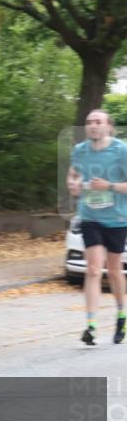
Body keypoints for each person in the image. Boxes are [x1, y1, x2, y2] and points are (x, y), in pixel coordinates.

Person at [67, 108, 127, 346]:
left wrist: (109, 186)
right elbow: (72, 175)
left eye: (97, 122)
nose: (92, 125)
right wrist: (73, 185)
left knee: (113, 271)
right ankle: (90, 325)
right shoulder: (80, 151)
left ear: (108, 127)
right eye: (89, 122)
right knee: (92, 269)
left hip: (117, 218)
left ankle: (122, 314)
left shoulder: (121, 150)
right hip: (90, 216)